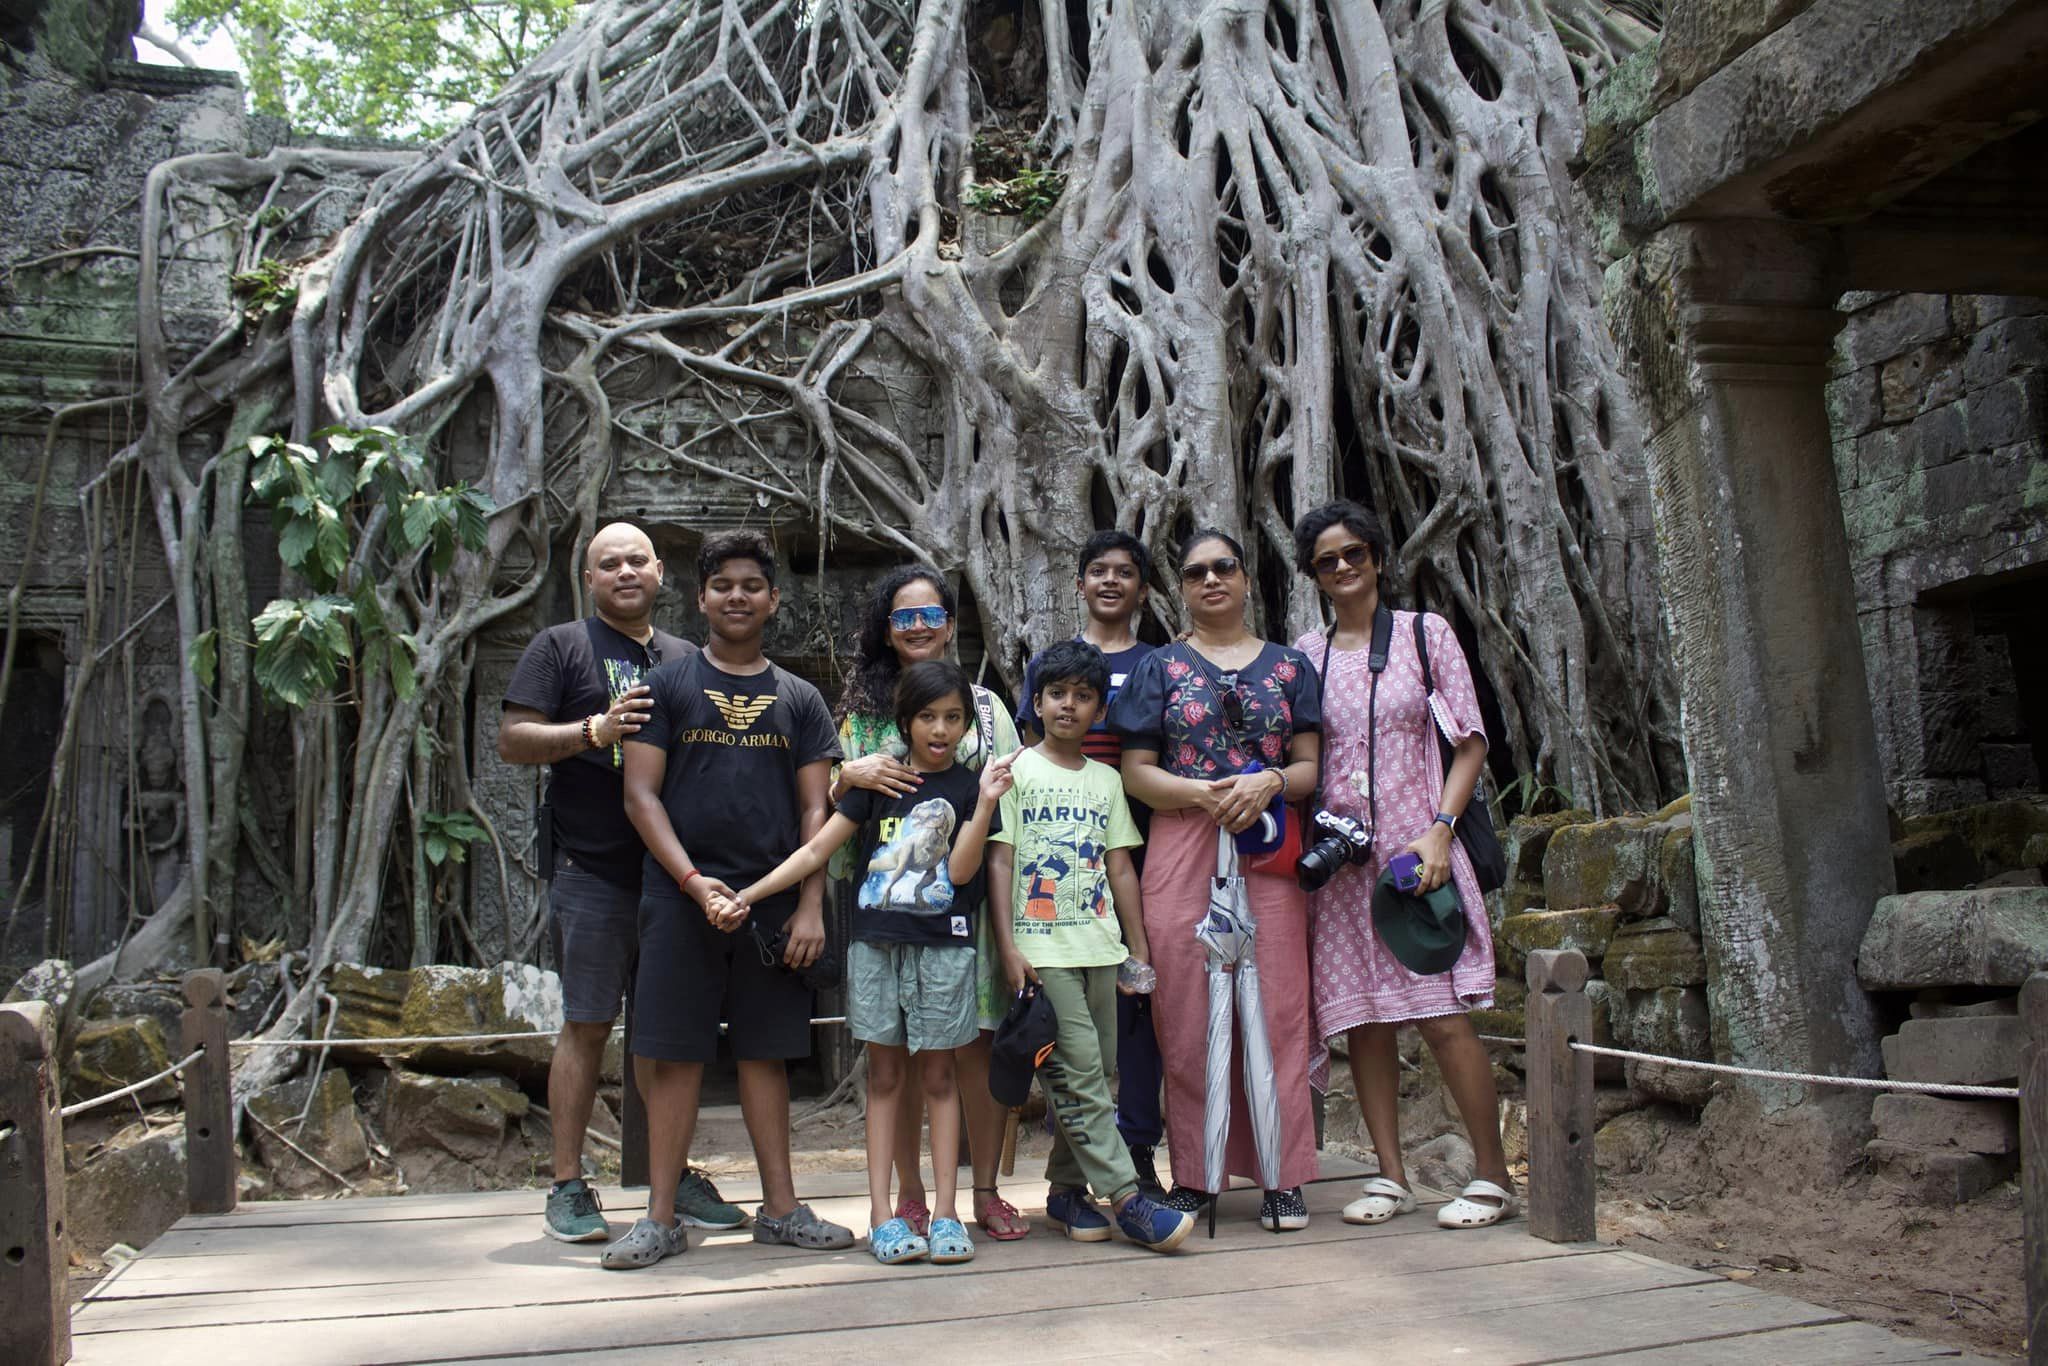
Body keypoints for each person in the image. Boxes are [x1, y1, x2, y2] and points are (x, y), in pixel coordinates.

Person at [606, 529, 853, 1269]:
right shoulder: (667, 688)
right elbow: (639, 794)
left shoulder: (800, 698)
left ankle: (780, 1208)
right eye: (723, 585)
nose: (737, 596)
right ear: (699, 597)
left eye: (752, 585)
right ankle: (658, 1218)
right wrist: (690, 880)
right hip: (680, 898)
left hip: (771, 905)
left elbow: (817, 815)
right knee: (673, 1054)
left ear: (774, 599)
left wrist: (809, 906)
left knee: (766, 1053)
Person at [497, 522, 746, 1243]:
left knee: (666, 1035)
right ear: (590, 578)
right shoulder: (562, 647)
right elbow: (514, 739)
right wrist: (594, 733)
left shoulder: (684, 658)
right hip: (593, 870)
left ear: (661, 572)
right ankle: (568, 1183)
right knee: (586, 1024)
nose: (626, 571)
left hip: (671, 877)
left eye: (638, 559)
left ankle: (672, 1178)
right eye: (610, 563)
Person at [718, 661, 1014, 1266]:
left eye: (953, 718)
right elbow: (817, 849)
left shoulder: (968, 787)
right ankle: (882, 1215)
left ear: (965, 725)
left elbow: (959, 874)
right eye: (927, 717)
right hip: (875, 947)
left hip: (945, 948)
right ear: (904, 723)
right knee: (883, 1079)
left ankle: (948, 1214)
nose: (940, 729)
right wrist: (747, 895)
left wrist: (982, 805)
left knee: (939, 1078)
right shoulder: (876, 784)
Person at [1291, 501, 1515, 1230]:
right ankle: (1390, 1178)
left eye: (1355, 552)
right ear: (1314, 576)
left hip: (1420, 857)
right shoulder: (1307, 655)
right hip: (1345, 869)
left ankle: (1491, 1176)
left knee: (1444, 1017)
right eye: (1328, 559)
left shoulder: (1426, 634)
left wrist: (1442, 832)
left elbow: (1471, 738)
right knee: (1367, 1026)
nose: (1344, 567)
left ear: (1379, 558)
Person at [1108, 528, 1323, 1232]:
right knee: (1186, 1012)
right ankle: (1195, 1177)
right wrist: (1205, 794)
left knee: (1279, 1007)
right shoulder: (1160, 669)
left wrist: (1263, 783)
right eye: (1195, 572)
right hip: (1182, 841)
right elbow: (1136, 772)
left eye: (1223, 567)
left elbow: (1307, 770)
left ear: (1246, 577)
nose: (1210, 580)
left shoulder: (1292, 667)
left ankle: (1283, 1176)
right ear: (1183, 588)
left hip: (1267, 843)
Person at [830, 566, 1028, 1241]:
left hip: (968, 907)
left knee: (969, 1044)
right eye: (902, 617)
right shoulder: (861, 714)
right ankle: (908, 1196)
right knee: (898, 1050)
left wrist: (1006, 935)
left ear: (950, 622)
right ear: (885, 629)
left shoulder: (989, 709)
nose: (917, 627)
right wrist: (843, 773)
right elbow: (836, 815)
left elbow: (1004, 828)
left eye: (930, 614)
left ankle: (983, 1190)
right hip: (891, 905)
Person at [989, 640, 1193, 1252]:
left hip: (1101, 949)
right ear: (1037, 702)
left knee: (1097, 1074)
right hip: (1040, 949)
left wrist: (1139, 952)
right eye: (1057, 695)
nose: (1069, 706)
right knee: (1078, 1075)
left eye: (1083, 697)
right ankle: (1128, 1197)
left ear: (1100, 709)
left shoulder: (1106, 780)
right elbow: (1000, 864)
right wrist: (1007, 947)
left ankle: (1063, 1191)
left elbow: (1121, 868)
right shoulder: (1014, 772)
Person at [1015, 531, 1166, 1196]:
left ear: (1142, 588)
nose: (1111, 581)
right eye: (1097, 571)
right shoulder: (1050, 664)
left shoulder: (1159, 662)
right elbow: (1028, 755)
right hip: (1057, 857)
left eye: (1125, 572)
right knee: (1070, 1036)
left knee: (1130, 1020)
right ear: (1079, 584)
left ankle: (1138, 1146)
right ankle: (1088, 1176)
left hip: (1139, 843)